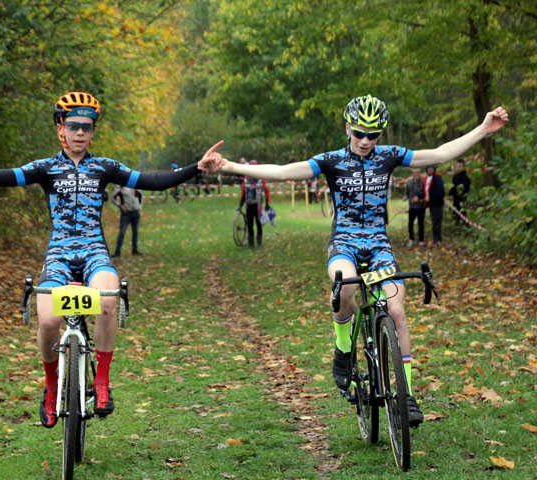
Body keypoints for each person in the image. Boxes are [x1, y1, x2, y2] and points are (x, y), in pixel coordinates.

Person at [0, 91, 220, 428]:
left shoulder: (105, 167)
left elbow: (153, 182)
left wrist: (196, 169)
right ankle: (52, 388)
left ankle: (101, 383)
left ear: (93, 131)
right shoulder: (45, 168)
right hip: (59, 255)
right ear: (60, 128)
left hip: (95, 252)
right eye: (73, 126)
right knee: (49, 322)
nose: (80, 132)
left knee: (108, 302)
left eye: (87, 126)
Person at [202, 95, 509, 426]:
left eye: (373, 134)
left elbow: (437, 154)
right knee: (344, 288)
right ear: (348, 127)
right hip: (344, 243)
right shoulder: (332, 160)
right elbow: (283, 171)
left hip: (378, 245)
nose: (365, 141)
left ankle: (405, 393)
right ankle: (343, 349)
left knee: (397, 310)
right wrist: (230, 166)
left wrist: (482, 129)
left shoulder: (389, 156)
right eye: (359, 133)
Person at [238, 160, 271, 248]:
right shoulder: (246, 178)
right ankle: (251, 244)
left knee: (258, 223)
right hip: (249, 205)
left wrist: (267, 203)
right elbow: (243, 193)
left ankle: (259, 243)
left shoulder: (261, 178)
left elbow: (267, 191)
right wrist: (240, 206)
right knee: (249, 224)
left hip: (258, 205)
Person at [111, 186, 142, 257]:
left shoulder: (137, 184)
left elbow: (140, 196)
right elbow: (113, 197)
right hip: (126, 213)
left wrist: (139, 207)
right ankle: (117, 252)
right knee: (122, 232)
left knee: (135, 232)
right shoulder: (121, 185)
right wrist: (120, 206)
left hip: (136, 212)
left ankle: (135, 250)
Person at [424, 164, 445, 245]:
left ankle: (437, 239)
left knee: (436, 222)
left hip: (437, 203)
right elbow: (426, 191)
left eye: (431, 168)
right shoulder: (427, 178)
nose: (429, 170)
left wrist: (431, 197)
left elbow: (441, 191)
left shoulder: (437, 178)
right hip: (431, 204)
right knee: (434, 222)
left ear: (434, 169)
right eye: (428, 168)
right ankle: (436, 239)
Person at [405, 168, 426, 247]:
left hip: (421, 207)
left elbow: (425, 194)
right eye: (415, 172)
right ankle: (411, 239)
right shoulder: (409, 184)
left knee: (421, 224)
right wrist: (407, 198)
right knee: (410, 223)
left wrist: (420, 199)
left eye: (418, 172)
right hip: (412, 207)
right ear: (412, 174)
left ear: (420, 173)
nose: (416, 174)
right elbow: (407, 194)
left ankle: (421, 240)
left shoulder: (423, 183)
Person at [449, 158, 471, 223]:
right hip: (455, 200)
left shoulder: (465, 178)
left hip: (461, 199)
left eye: (460, 166)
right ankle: (457, 225)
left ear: (464, 167)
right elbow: (452, 186)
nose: (458, 168)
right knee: (455, 214)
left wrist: (460, 194)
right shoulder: (455, 176)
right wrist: (450, 194)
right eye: (456, 166)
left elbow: (466, 189)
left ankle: (465, 226)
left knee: (462, 213)